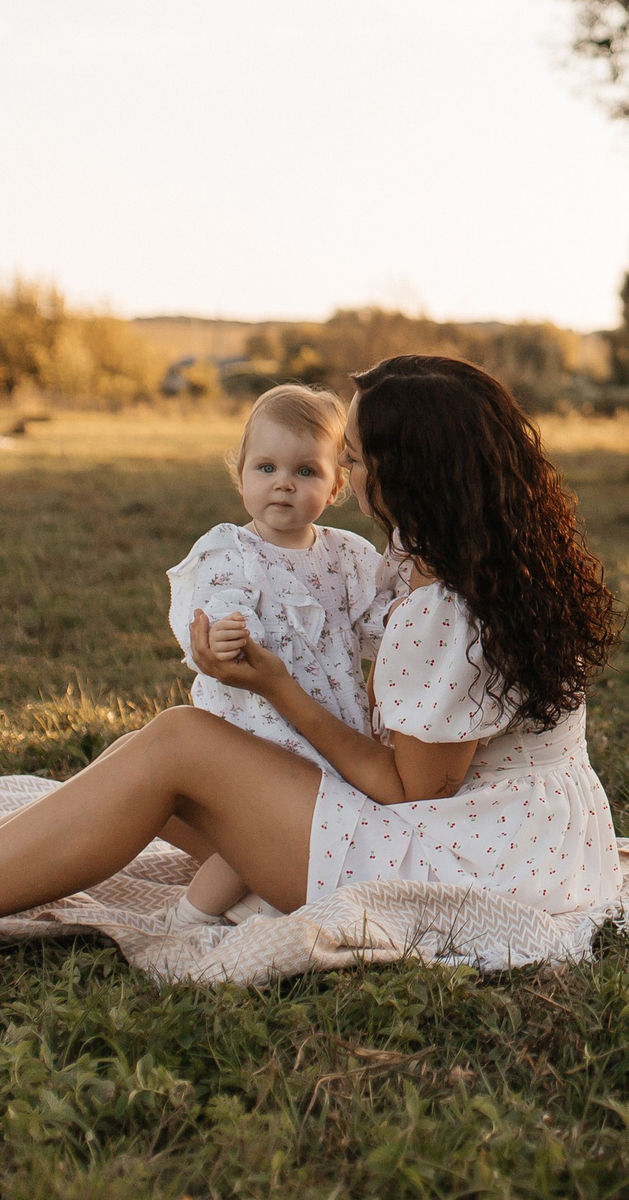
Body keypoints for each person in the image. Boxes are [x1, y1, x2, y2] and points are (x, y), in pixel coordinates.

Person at [0, 355, 625, 989]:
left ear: (411, 472)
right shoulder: (485, 556)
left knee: (178, 745)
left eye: (363, 458)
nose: (355, 473)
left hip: (472, 858)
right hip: (515, 830)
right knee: (155, 778)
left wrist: (277, 689)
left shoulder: (448, 604)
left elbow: (404, 785)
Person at [162, 383, 389, 928]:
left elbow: (384, 624)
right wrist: (222, 635)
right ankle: (191, 916)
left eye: (306, 471)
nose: (283, 483)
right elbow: (217, 613)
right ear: (240, 474)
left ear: (336, 484)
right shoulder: (230, 551)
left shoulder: (348, 556)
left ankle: (265, 895)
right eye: (265, 468)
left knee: (316, 824)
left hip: (326, 719)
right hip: (254, 724)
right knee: (258, 826)